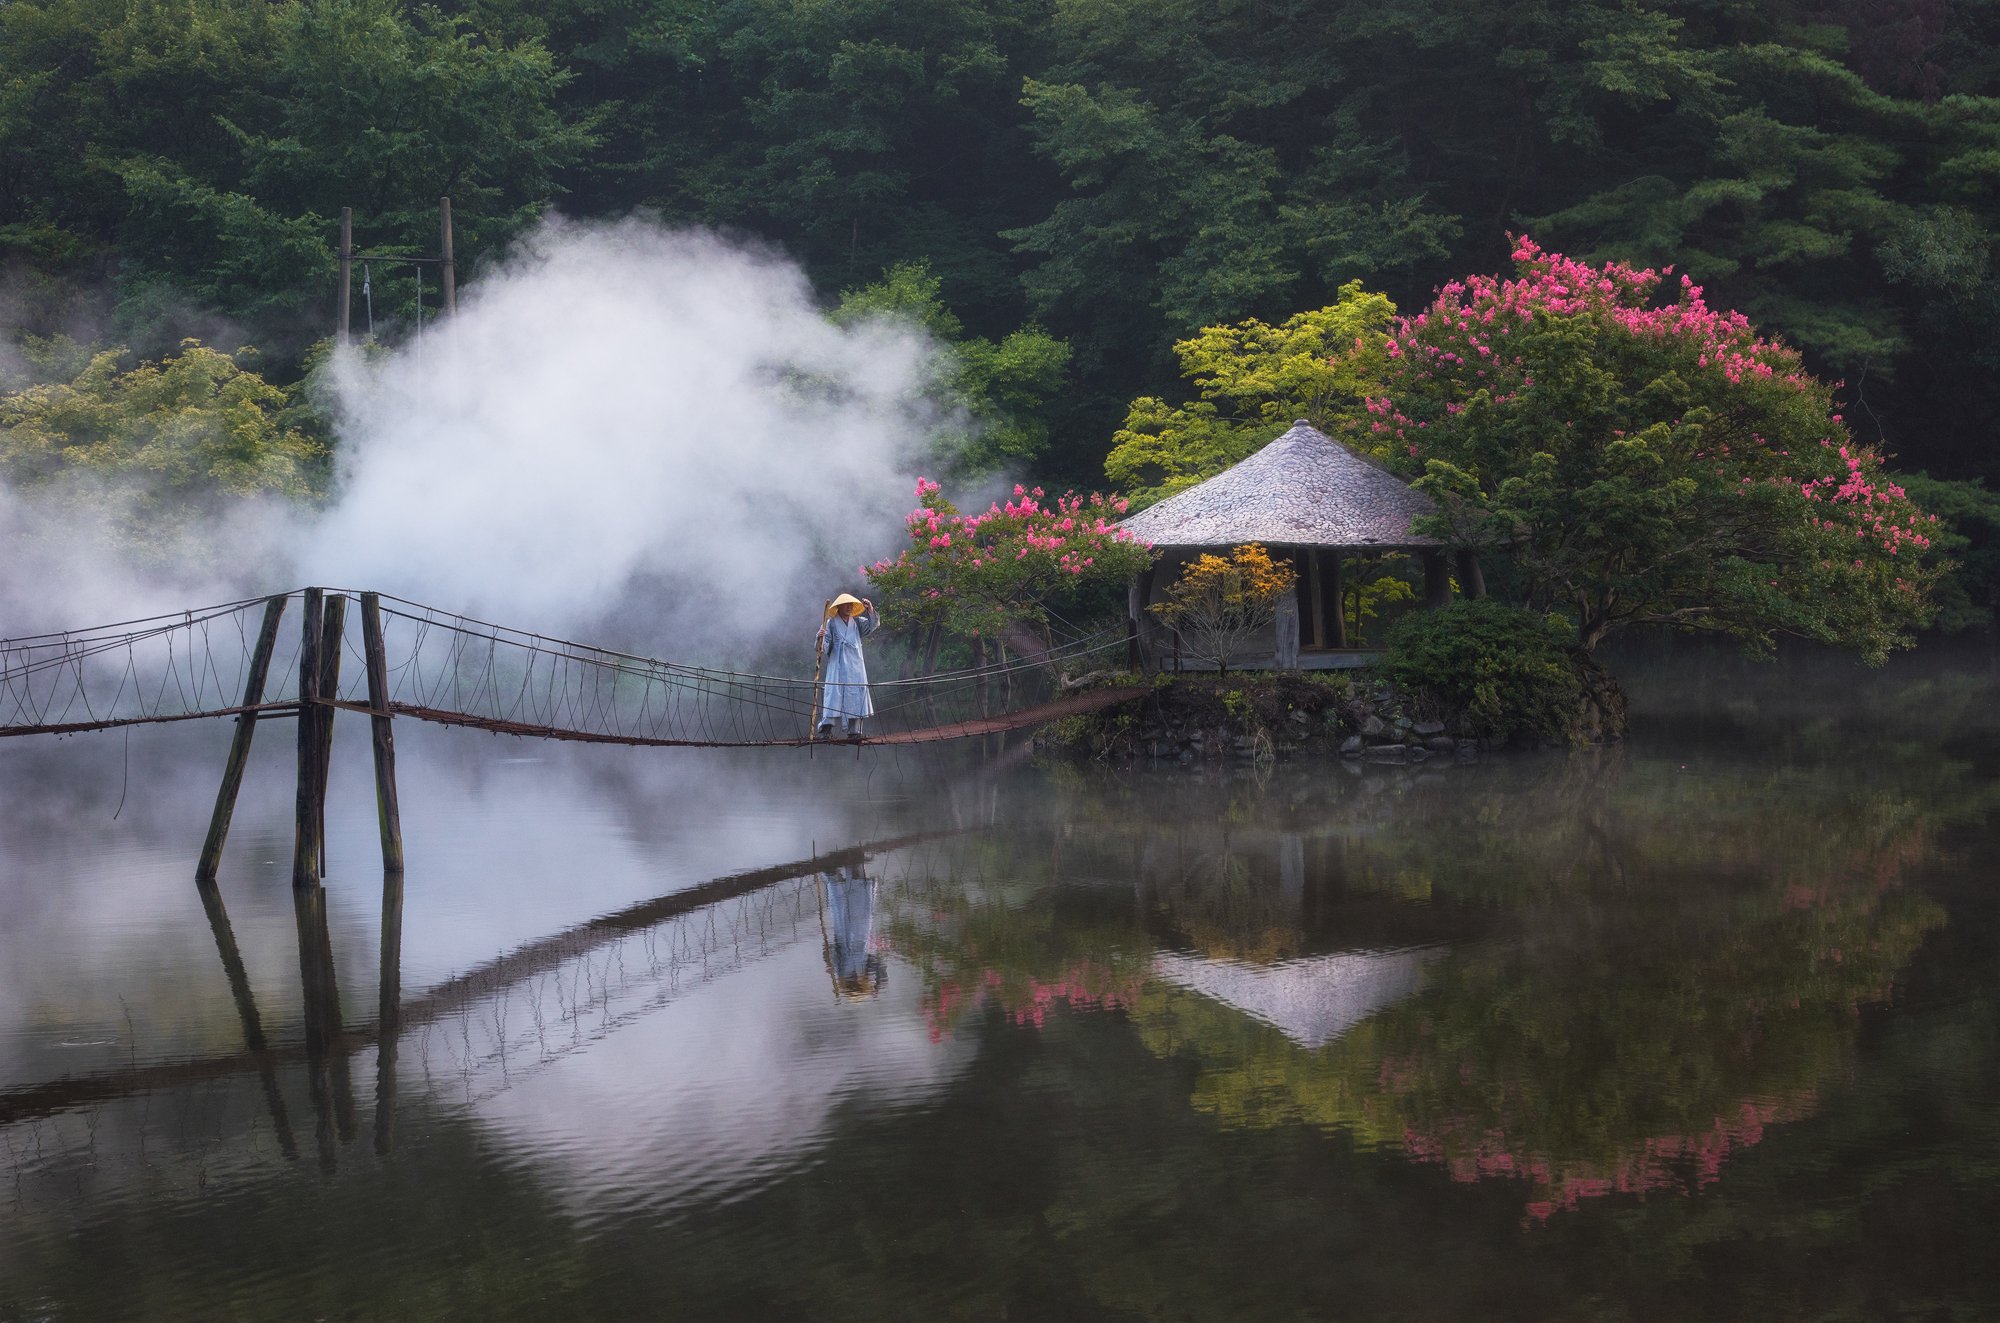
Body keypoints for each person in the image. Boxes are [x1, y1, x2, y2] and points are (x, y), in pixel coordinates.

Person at [815, 592, 878, 740]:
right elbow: (823, 648)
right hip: (837, 665)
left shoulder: (857, 622)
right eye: (846, 605)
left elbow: (872, 626)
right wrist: (820, 637)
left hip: (856, 665)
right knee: (833, 696)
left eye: (851, 605)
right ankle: (826, 730)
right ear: (839, 607)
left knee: (856, 693)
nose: (849, 607)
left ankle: (854, 731)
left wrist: (870, 611)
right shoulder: (830, 623)